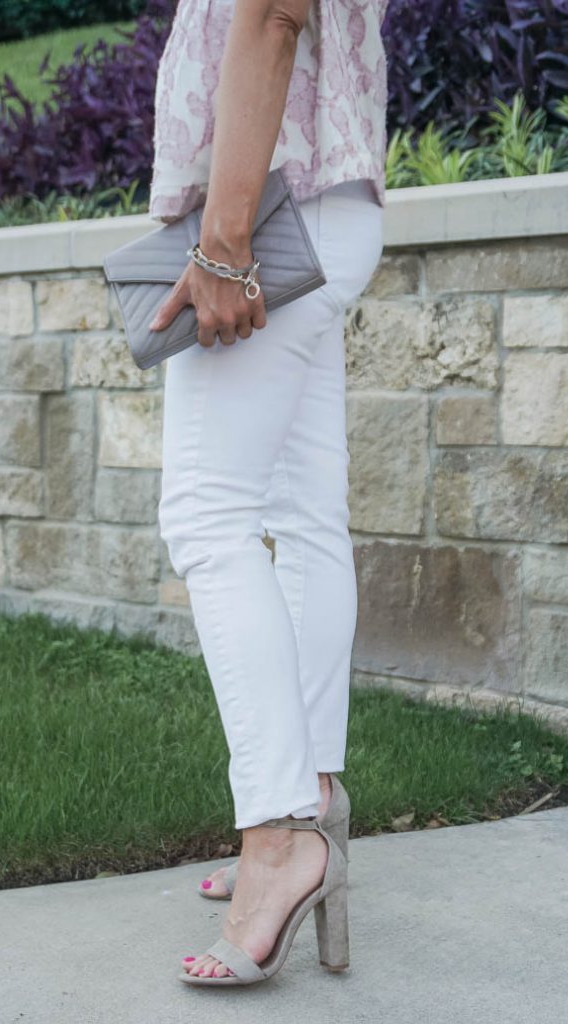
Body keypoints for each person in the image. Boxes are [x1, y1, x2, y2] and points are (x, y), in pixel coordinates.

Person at [146, 0, 390, 986]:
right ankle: (313, 792)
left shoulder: (246, 227)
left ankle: (280, 838)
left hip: (273, 208)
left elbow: (273, 14)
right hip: (328, 198)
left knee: (206, 517)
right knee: (302, 518)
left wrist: (224, 238)